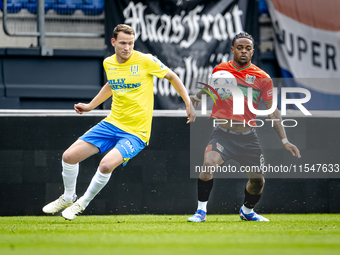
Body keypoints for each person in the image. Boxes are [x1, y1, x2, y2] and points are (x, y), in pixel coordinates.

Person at [42, 24, 196, 220]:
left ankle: (82, 203)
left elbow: (172, 76)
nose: (127, 48)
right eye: (123, 43)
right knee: (69, 156)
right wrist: (91, 106)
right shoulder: (109, 63)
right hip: (112, 123)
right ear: (113, 42)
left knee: (106, 165)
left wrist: (188, 103)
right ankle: (68, 196)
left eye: (131, 43)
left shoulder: (146, 61)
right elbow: (112, 84)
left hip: (136, 132)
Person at [187, 32, 301, 222]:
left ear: (253, 51)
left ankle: (247, 211)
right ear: (232, 49)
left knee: (258, 181)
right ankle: (201, 212)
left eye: (248, 48)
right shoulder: (222, 70)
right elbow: (212, 88)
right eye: (239, 47)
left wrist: (285, 140)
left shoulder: (262, 77)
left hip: (248, 137)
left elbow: (273, 111)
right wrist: (195, 98)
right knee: (208, 164)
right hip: (223, 135)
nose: (243, 51)